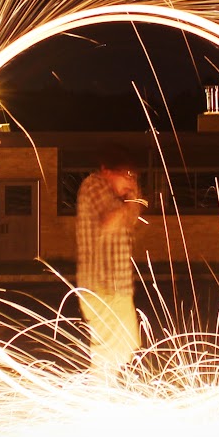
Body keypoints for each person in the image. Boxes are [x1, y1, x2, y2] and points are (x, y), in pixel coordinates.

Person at [75, 145, 147, 379]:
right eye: (125, 175)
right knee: (107, 353)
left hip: (117, 287)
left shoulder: (117, 196)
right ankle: (99, 394)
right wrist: (132, 199)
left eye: (132, 176)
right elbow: (111, 220)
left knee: (125, 345)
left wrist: (130, 200)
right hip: (102, 286)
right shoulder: (94, 186)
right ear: (107, 171)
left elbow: (130, 220)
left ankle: (106, 390)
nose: (130, 182)